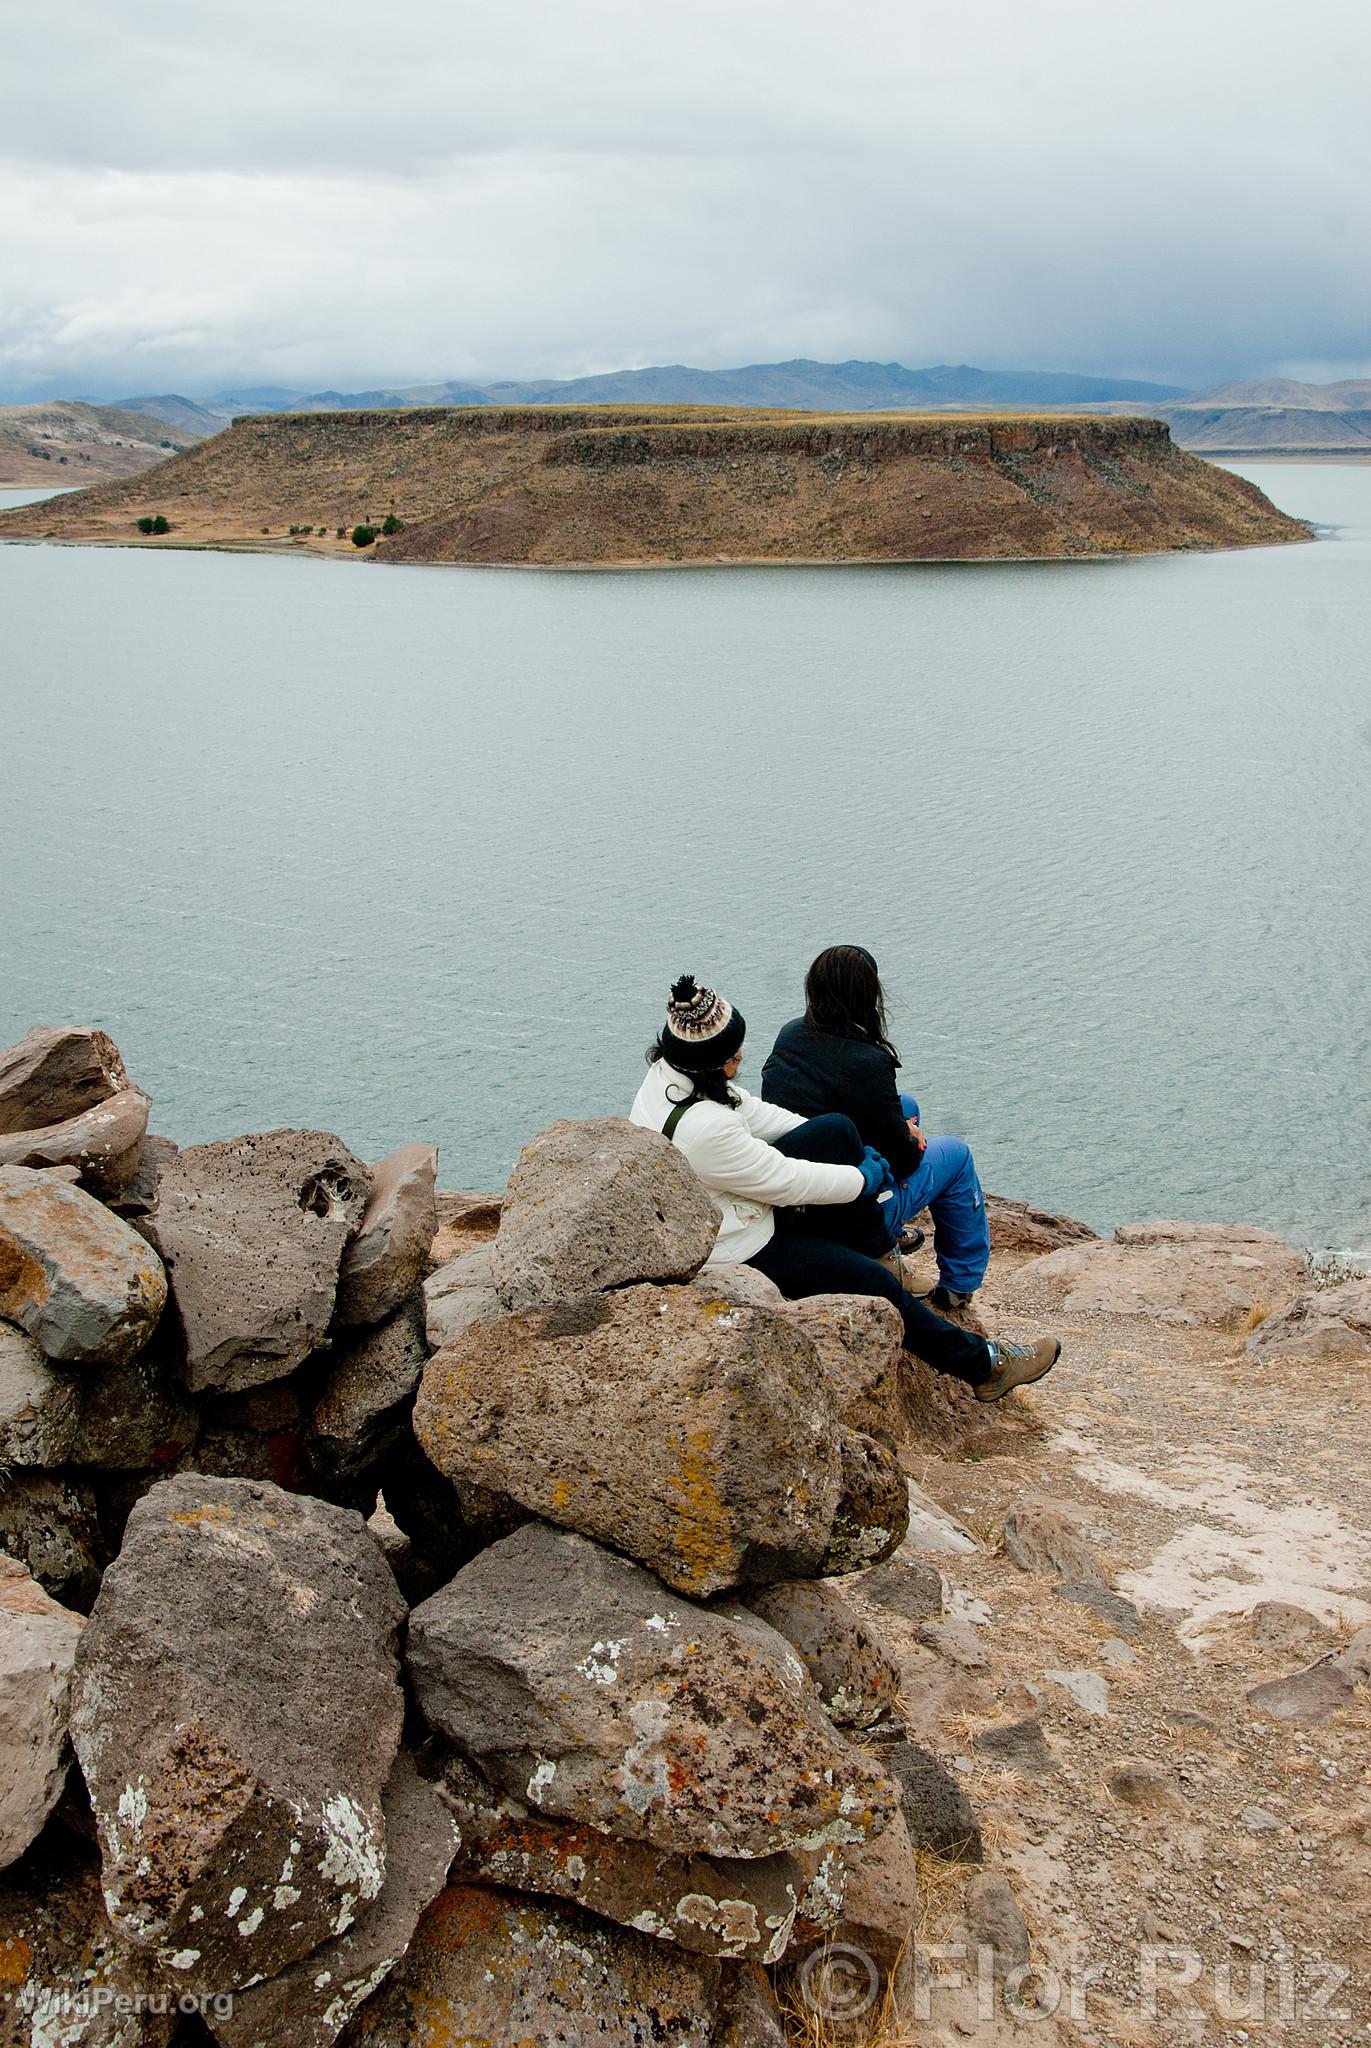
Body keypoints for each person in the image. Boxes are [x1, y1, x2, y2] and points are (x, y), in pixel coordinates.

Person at [629, 973, 1058, 1402]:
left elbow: (758, 1113)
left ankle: (878, 1245)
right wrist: (864, 1178)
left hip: (735, 1206)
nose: (741, 1056)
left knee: (836, 1130)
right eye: (734, 1053)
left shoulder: (674, 1076)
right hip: (741, 1246)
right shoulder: (704, 1128)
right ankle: (986, 1366)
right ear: (712, 1061)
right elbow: (785, 1181)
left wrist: (855, 1150)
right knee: (873, 1283)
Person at [763, 945, 990, 1316]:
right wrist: (911, 1141)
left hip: (798, 1186)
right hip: (850, 1208)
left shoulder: (791, 1035)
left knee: (908, 1105)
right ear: (867, 994)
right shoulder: (867, 1059)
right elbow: (901, 1160)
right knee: (957, 1155)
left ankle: (896, 1233)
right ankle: (958, 1287)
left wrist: (900, 1125)